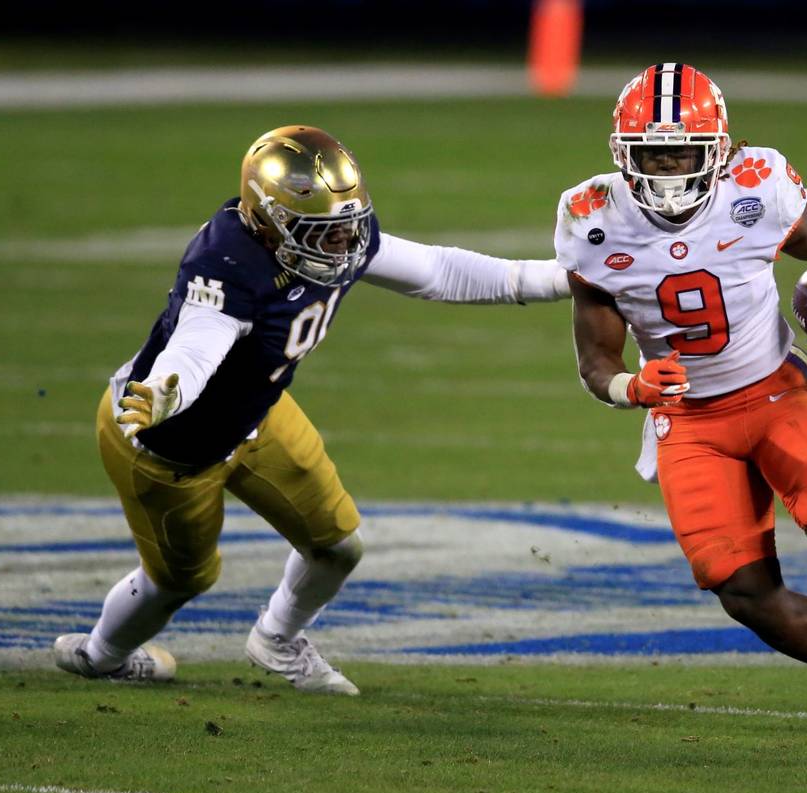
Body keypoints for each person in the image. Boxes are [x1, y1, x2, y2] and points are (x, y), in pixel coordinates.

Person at [53, 125, 570, 695]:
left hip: (258, 415)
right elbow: (197, 345)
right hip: (165, 439)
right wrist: (166, 390)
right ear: (268, 222)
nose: (344, 244)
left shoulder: (338, 235)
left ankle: (277, 639)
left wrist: (558, 278)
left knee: (337, 544)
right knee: (180, 581)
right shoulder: (228, 261)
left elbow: (439, 271)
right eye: (323, 233)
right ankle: (100, 655)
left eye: (347, 226)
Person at [557, 64, 807, 742]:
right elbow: (595, 357)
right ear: (623, 153)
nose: (668, 170)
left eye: (682, 152)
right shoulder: (592, 216)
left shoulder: (756, 184)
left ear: (719, 150)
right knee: (743, 594)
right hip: (687, 422)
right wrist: (631, 387)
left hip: (771, 388)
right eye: (651, 154)